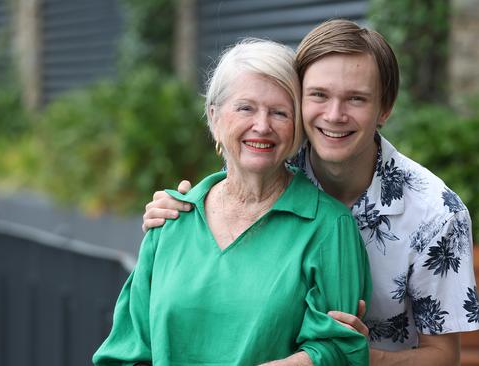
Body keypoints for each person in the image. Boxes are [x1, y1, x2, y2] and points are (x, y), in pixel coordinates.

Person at [143, 20, 479, 365]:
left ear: (384, 108)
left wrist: (347, 355)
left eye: (356, 99)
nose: (335, 115)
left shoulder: (436, 214)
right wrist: (179, 213)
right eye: (319, 95)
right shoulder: (272, 164)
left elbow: (443, 357)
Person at [93, 39, 372, 366]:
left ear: (297, 128)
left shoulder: (328, 227)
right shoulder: (171, 219)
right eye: (245, 108)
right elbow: (127, 351)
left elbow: (339, 352)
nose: (262, 125)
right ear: (214, 117)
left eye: (280, 112)